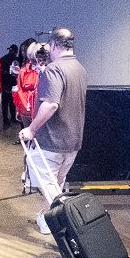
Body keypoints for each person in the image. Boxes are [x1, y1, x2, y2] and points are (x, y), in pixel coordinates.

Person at [18, 28, 87, 235]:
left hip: (52, 140)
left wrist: (31, 129)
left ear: (55, 45)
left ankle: (66, 222)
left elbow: (51, 104)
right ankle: (48, 221)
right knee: (57, 183)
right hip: (72, 140)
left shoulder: (54, 70)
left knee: (49, 187)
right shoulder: (79, 68)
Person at [0, 44, 19, 129]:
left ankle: (12, 118)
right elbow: (0, 71)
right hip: (6, 83)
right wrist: (9, 73)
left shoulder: (16, 59)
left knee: (12, 102)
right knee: (6, 103)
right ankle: (6, 119)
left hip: (12, 83)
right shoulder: (4, 59)